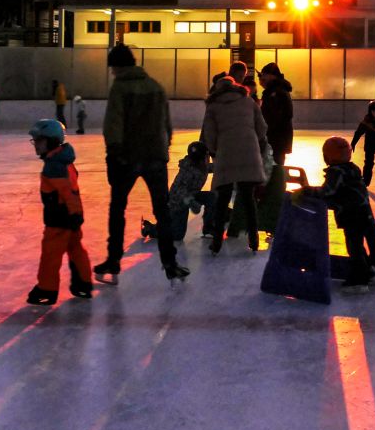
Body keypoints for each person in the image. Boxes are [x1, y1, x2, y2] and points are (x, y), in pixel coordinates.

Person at [96, 44, 187, 284]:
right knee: (162, 211)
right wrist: (163, 150)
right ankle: (170, 262)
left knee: (118, 208)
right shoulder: (155, 86)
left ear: (118, 66)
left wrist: (114, 153)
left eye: (113, 68)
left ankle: (114, 260)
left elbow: (113, 124)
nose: (113, 73)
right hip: (155, 157)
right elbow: (167, 124)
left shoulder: (120, 88)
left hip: (128, 158)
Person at [25, 118, 94, 305]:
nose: (36, 145)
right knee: (75, 249)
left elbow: (66, 192)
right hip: (70, 217)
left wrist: (72, 213)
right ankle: (83, 283)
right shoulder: (62, 160)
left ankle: (47, 289)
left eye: (39, 141)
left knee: (50, 254)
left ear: (52, 141)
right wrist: (76, 215)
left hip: (59, 220)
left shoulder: (54, 166)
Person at [307, 136, 375, 289]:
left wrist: (308, 191)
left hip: (352, 215)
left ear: (328, 156)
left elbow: (328, 191)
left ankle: (360, 280)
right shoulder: (352, 169)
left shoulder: (336, 172)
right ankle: (369, 271)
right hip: (363, 212)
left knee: (354, 246)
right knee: (357, 245)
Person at [201, 62, 267, 254]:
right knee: (248, 197)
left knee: (222, 198)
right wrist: (255, 140)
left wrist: (215, 151)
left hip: (226, 153)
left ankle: (217, 242)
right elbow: (262, 128)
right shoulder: (248, 101)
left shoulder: (213, 105)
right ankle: (253, 238)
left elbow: (209, 135)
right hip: (249, 151)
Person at [142, 141, 213, 243]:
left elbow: (212, 167)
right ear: (201, 158)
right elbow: (180, 190)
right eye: (207, 156)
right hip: (178, 201)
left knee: (212, 197)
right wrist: (191, 202)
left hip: (192, 195)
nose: (208, 158)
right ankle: (152, 229)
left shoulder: (202, 166)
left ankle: (209, 227)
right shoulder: (188, 171)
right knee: (177, 235)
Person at [259, 62, 294, 167]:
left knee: (274, 168)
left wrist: (265, 129)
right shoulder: (274, 90)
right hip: (277, 138)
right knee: (274, 167)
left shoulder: (276, 92)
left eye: (263, 76)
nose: (261, 80)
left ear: (271, 76)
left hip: (276, 139)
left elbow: (276, 116)